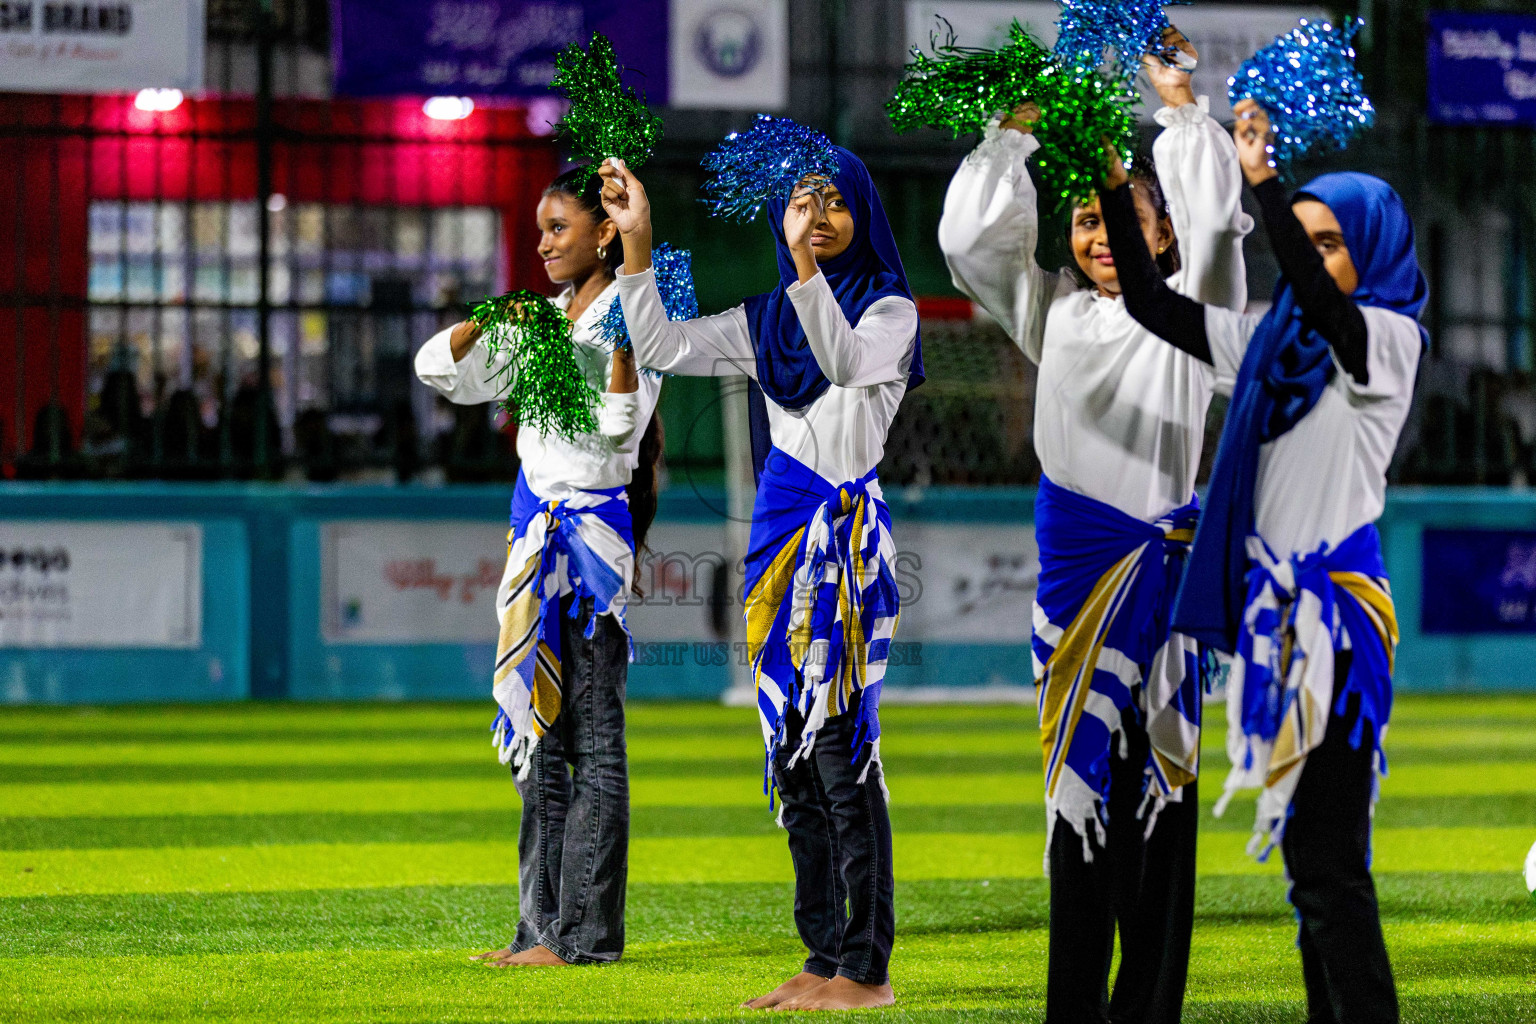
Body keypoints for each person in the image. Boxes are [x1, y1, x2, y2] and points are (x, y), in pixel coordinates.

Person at [937, 28, 1249, 1024]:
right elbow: (970, 248)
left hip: (1157, 598)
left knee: (1158, 810)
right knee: (1076, 816)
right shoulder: (1054, 312)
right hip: (1074, 598)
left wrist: (1180, 109)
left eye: (1118, 220)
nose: (1099, 236)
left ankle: (1147, 1010)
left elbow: (1218, 229)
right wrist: (1011, 135)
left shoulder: (1188, 311)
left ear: (1163, 236)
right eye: (1081, 221)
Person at [1098, 99, 1428, 1024]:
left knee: (1326, 868)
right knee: (1311, 869)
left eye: (1331, 243)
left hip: (1337, 627)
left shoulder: (1387, 341)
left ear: (1373, 251)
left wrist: (1265, 185)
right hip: (1279, 630)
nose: (1313, 259)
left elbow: (1324, 304)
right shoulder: (1274, 345)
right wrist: (1117, 189)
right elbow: (1153, 303)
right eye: (1305, 242)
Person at [598, 140, 920, 1011]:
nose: (818, 217)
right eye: (802, 203)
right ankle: (822, 955)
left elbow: (843, 360)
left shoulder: (890, 310)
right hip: (777, 552)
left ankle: (868, 969)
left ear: (863, 212)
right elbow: (659, 343)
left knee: (843, 752)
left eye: (835, 202)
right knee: (795, 760)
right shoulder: (767, 317)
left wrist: (805, 267)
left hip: (841, 550)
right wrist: (638, 239)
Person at [415, 167, 664, 967]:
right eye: (540, 230)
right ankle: (539, 928)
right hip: (533, 546)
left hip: (588, 546)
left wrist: (622, 342)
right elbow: (439, 372)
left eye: (559, 228)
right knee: (538, 743)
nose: (544, 244)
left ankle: (585, 936)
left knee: (592, 739)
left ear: (604, 232)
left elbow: (619, 437)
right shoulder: (544, 321)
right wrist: (489, 317)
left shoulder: (642, 314)